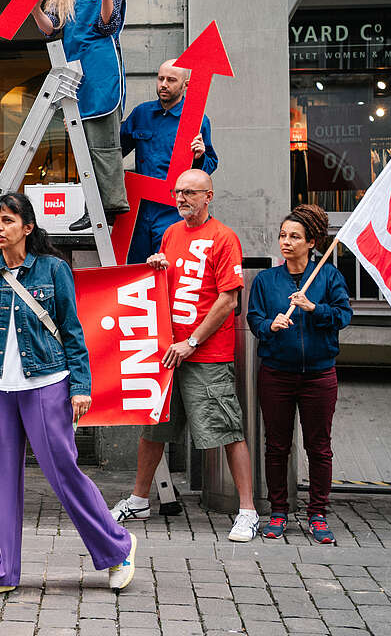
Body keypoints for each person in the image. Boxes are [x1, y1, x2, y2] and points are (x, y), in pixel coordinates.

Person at [0, 192, 136, 599]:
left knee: (62, 470)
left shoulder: (54, 270)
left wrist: (80, 387)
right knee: (2, 478)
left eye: (7, 220)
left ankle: (116, 549)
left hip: (46, 383)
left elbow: (73, 331)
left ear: (28, 227)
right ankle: (0, 570)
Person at [108, 169, 260, 542]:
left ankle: (248, 511)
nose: (181, 198)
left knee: (227, 428)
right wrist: (156, 266)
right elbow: (168, 287)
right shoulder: (172, 233)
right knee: (153, 428)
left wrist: (192, 341)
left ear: (209, 196)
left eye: (190, 193)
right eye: (178, 192)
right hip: (168, 352)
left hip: (206, 354)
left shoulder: (224, 237)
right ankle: (139, 499)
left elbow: (228, 300)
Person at [247, 204, 351, 544]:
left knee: (319, 447)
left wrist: (313, 308)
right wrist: (269, 324)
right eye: (283, 236)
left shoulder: (329, 277)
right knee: (276, 446)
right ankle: (278, 512)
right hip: (276, 373)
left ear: (311, 242)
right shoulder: (266, 280)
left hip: (319, 375)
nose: (286, 242)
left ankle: (318, 513)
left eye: (294, 237)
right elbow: (254, 319)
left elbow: (342, 316)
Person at [24, 0, 128, 230]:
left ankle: (107, 206)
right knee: (81, 142)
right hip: (74, 71)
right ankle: (91, 206)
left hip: (101, 69)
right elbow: (50, 26)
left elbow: (109, 25)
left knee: (103, 142)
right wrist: (33, 8)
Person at [120, 60, 219, 263]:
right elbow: (114, 151)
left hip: (173, 210)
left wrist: (200, 157)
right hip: (139, 210)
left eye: (171, 80)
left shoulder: (197, 119)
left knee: (169, 269)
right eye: (161, 79)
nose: (164, 84)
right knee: (135, 272)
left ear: (186, 85)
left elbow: (210, 165)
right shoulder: (141, 114)